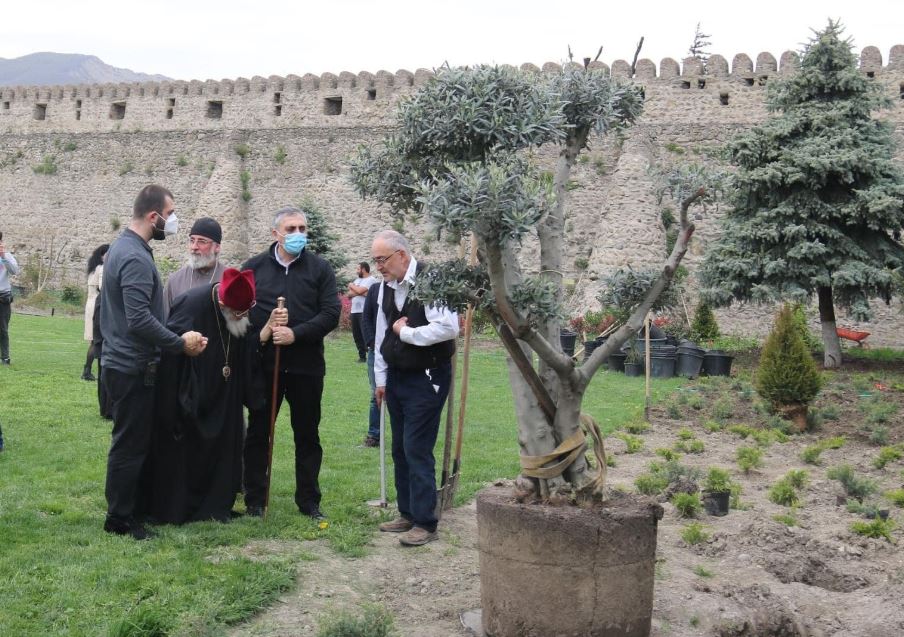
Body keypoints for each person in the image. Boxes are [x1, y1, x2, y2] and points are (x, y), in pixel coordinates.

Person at [100, 184, 208, 540]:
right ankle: (119, 518)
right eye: (171, 213)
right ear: (153, 216)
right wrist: (179, 343)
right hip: (131, 366)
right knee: (129, 444)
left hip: (127, 362)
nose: (173, 221)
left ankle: (132, 508)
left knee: (133, 441)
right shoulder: (132, 256)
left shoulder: (128, 248)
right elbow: (138, 319)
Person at [138, 268, 263, 524]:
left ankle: (215, 505)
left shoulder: (241, 310)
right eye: (235, 313)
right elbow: (170, 346)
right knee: (188, 452)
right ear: (221, 302)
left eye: (244, 313)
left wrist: (268, 328)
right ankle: (182, 508)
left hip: (226, 393)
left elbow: (246, 345)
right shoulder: (192, 303)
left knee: (224, 447)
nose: (240, 317)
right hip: (193, 392)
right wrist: (185, 341)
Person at [242, 205, 340, 519]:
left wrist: (295, 334)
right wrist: (267, 330)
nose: (298, 235)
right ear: (275, 233)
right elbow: (239, 315)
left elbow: (330, 314)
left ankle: (309, 500)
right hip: (265, 367)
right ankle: (255, 499)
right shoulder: (254, 268)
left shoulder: (320, 269)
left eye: (302, 229)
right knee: (258, 433)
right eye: (291, 229)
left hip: (306, 367)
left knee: (307, 434)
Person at [372, 230, 459, 546]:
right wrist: (381, 380)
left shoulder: (431, 281)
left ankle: (425, 521)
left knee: (416, 446)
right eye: (376, 260)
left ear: (402, 255)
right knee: (399, 448)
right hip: (397, 376)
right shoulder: (386, 287)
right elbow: (383, 333)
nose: (378, 266)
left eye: (382, 259)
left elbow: (449, 327)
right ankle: (407, 512)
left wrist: (406, 333)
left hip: (428, 377)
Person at [163, 217, 226, 316]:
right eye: (192, 241)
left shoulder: (230, 280)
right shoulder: (175, 281)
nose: (194, 247)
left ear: (217, 247)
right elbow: (164, 321)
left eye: (201, 241)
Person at [359, 279, 382, 447]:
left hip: (399, 350)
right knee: (376, 393)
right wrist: (371, 342)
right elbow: (366, 318)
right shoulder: (375, 290)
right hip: (376, 351)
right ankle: (374, 435)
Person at [82, 244, 109, 380]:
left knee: (93, 340)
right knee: (97, 340)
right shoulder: (102, 268)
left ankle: (87, 369)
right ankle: (88, 371)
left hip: (90, 304)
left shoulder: (93, 269)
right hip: (98, 305)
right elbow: (103, 287)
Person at [347, 262, 378, 362]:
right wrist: (360, 291)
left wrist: (352, 286)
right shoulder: (357, 280)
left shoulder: (371, 280)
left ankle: (371, 354)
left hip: (364, 310)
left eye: (358, 269)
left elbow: (360, 292)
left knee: (365, 333)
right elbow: (349, 294)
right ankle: (362, 356)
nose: (356, 271)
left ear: (363, 269)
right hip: (354, 311)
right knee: (357, 334)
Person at [0, 230, 20, 365]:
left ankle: (5, 357)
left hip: (3, 298)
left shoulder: (7, 256)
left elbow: (14, 271)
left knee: (3, 329)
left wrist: (3, 256)